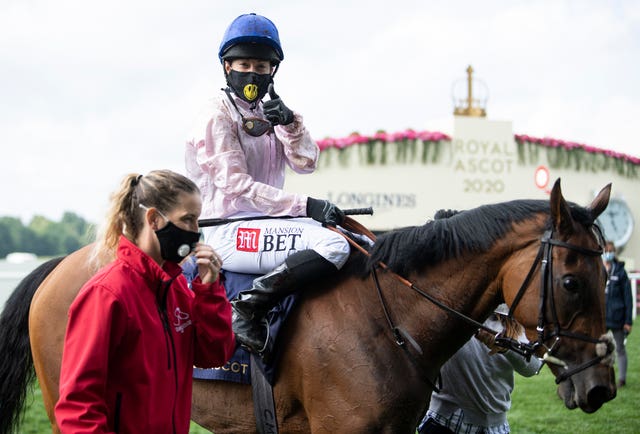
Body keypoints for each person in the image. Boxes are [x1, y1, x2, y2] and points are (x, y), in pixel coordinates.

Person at [185, 13, 350, 357]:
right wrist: (305, 206)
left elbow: (306, 163)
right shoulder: (216, 115)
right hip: (228, 230)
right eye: (245, 64)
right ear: (227, 67)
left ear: (272, 71)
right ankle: (247, 308)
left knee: (358, 240)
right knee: (335, 247)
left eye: (262, 67)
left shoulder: (268, 112)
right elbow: (237, 185)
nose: (253, 74)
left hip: (269, 223)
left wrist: (289, 123)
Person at [54, 170, 235, 433]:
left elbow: (213, 355)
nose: (196, 232)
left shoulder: (176, 290)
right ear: (154, 219)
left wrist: (209, 291)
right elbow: (78, 405)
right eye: (188, 219)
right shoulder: (106, 294)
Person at [418, 305, 543, 434]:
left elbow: (533, 367)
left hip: (494, 428)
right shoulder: (454, 311)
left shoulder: (515, 324)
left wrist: (505, 347)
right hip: (443, 422)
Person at [603, 241, 633, 387]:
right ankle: (603, 377)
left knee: (620, 349)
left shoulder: (620, 272)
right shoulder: (598, 269)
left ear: (614, 253)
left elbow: (628, 298)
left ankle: (621, 379)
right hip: (601, 319)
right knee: (600, 350)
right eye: (606, 250)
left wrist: (628, 321)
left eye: (610, 251)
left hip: (618, 318)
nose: (608, 253)